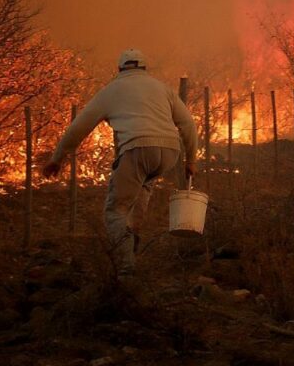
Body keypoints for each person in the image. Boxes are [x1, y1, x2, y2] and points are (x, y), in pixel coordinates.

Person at [43, 48, 198, 279]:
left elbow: (79, 127)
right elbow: (188, 124)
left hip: (137, 150)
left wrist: (58, 158)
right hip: (169, 152)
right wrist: (190, 160)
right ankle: (132, 244)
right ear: (144, 68)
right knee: (139, 193)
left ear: (119, 70)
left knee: (115, 209)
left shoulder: (111, 91)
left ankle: (126, 268)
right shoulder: (162, 88)